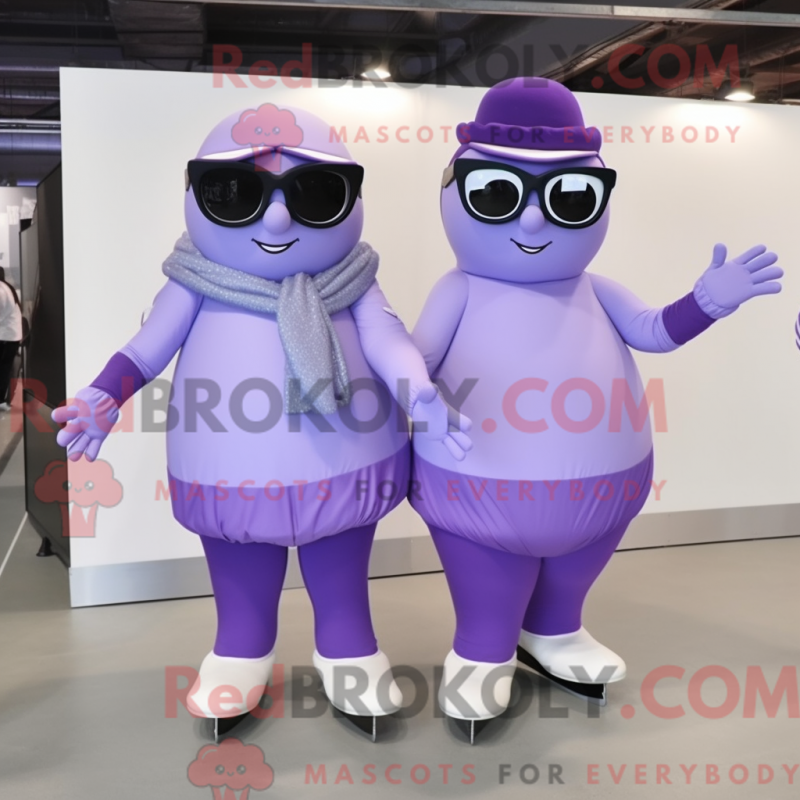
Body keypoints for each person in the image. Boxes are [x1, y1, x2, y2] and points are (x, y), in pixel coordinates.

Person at [0, 267, 22, 412]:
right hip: (9, 336)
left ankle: (1, 400)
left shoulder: (1, 290)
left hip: (6, 337)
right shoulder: (5, 287)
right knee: (5, 369)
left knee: (3, 369)